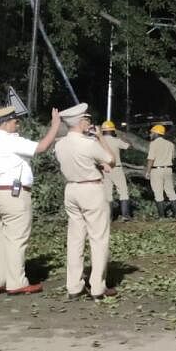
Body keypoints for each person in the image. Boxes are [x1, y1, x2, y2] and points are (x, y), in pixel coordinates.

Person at [0, 106, 61, 295]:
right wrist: (55, 126)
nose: (18, 125)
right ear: (6, 123)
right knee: (16, 239)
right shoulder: (10, 141)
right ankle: (16, 282)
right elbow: (41, 148)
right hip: (13, 195)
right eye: (16, 121)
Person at [54, 103, 118, 300]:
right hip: (91, 189)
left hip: (71, 189)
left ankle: (74, 286)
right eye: (87, 120)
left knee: (75, 239)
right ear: (81, 122)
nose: (88, 123)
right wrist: (99, 137)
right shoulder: (89, 143)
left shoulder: (60, 144)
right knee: (98, 238)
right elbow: (111, 159)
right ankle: (98, 286)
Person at [99, 121, 133, 222]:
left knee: (107, 193)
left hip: (104, 169)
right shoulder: (117, 140)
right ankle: (125, 216)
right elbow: (130, 146)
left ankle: (109, 218)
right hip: (116, 168)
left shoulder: (99, 142)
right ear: (112, 130)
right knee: (123, 191)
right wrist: (123, 137)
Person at [144, 124, 176, 219]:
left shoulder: (153, 144)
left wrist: (147, 171)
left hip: (157, 170)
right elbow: (173, 158)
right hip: (168, 169)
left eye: (151, 133)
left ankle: (162, 217)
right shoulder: (171, 144)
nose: (150, 135)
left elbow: (151, 159)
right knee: (171, 191)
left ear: (156, 133)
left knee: (158, 192)